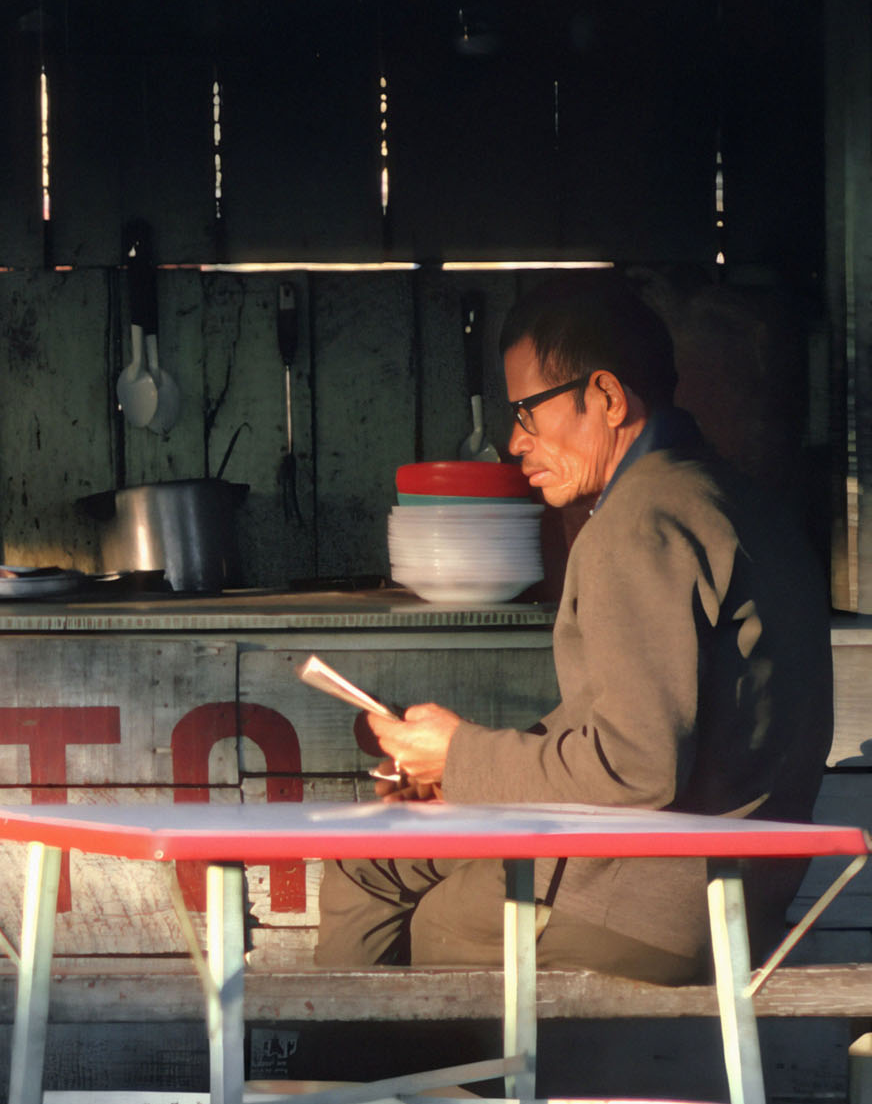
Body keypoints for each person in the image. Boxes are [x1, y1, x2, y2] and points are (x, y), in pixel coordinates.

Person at [328, 273, 832, 984]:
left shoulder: (639, 525)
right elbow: (642, 723)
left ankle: (341, 1090)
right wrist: (460, 770)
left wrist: (463, 758)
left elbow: (637, 767)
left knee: (426, 914)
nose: (512, 440)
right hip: (730, 890)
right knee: (376, 857)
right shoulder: (741, 504)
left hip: (648, 904)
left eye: (528, 412)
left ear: (606, 397)